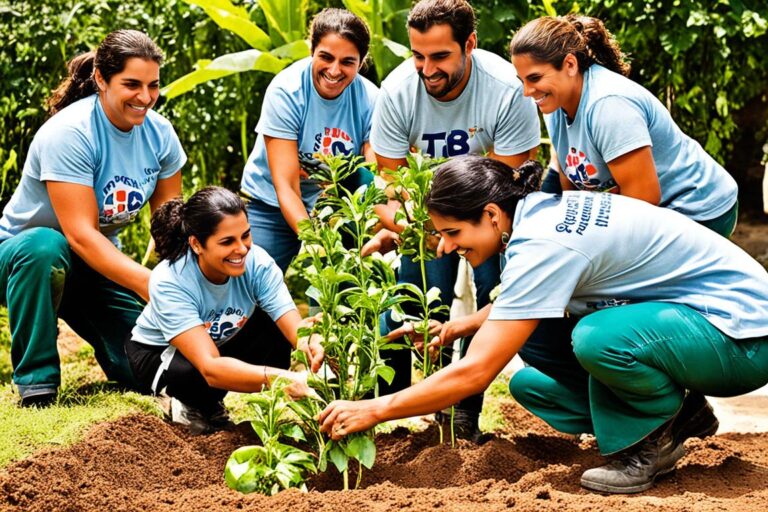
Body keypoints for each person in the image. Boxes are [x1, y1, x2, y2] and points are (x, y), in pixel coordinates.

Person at [318, 156, 768, 494]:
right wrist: (458, 328)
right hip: (701, 329)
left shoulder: (542, 243)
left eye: (453, 233)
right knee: (531, 381)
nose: (445, 247)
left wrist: (374, 408)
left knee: (597, 338)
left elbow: (476, 372)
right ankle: (679, 413)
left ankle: (647, 448)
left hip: (743, 336)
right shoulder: (536, 215)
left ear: (492, 215)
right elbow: (517, 306)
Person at [367, 0, 540, 440]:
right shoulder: (397, 91)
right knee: (422, 298)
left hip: (489, 218)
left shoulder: (505, 88)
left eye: (440, 56)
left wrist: (457, 231)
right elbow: (386, 187)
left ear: (470, 45)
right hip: (422, 221)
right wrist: (416, 231)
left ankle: (463, 413)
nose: (427, 69)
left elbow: (506, 189)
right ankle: (423, 405)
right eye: (418, 55)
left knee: (493, 296)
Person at [0, 30, 186, 407]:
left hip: (92, 266)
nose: (145, 97)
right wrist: (147, 283)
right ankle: (37, 387)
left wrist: (182, 289)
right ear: (101, 78)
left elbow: (171, 228)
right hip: (23, 261)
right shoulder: (70, 134)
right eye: (131, 84)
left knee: (147, 366)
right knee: (45, 246)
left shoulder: (160, 135)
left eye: (153, 85)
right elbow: (80, 234)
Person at [509, 15, 738, 238]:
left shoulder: (609, 106)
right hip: (647, 209)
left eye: (535, 78)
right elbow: (569, 180)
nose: (527, 92)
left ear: (570, 64)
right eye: (523, 81)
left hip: (696, 208)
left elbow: (643, 203)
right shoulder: (556, 102)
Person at [125, 187, 324, 434]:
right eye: (227, 241)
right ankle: (189, 402)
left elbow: (294, 329)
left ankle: (222, 402)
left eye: (246, 235)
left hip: (218, 336)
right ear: (197, 244)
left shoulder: (258, 263)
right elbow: (210, 366)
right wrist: (281, 379)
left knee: (274, 329)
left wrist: (314, 342)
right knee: (194, 371)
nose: (242, 249)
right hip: (161, 355)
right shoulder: (170, 280)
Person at [239, 8, 379, 273]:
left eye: (348, 62)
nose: (334, 70)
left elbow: (374, 175)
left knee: (340, 289)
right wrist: (314, 240)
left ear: (360, 63)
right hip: (272, 202)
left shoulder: (370, 99)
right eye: (326, 57)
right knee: (251, 280)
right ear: (311, 52)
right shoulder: (287, 91)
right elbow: (287, 186)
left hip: (335, 204)